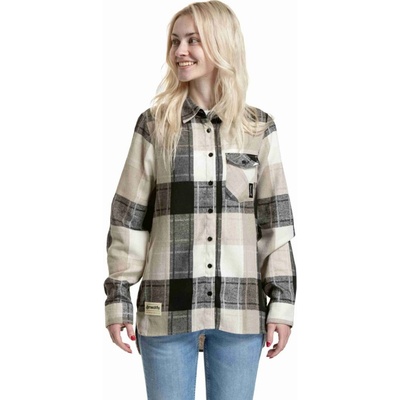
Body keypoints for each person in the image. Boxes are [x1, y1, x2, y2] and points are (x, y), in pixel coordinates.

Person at [104, 1, 296, 399]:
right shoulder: (155, 125)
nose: (180, 51)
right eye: (175, 41)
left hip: (240, 313)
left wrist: (282, 303)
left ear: (221, 44)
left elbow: (274, 223)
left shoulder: (258, 128)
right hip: (166, 311)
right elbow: (128, 218)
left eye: (193, 40)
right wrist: (118, 298)